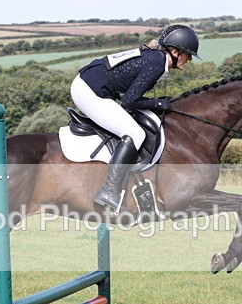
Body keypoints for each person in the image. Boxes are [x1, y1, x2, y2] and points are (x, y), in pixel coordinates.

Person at [70, 24, 201, 213]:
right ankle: (109, 192)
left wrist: (154, 102)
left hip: (90, 84)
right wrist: (156, 104)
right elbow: (130, 102)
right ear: (175, 52)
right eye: (188, 55)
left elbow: (131, 95)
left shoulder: (155, 58)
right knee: (135, 133)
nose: (189, 60)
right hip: (89, 90)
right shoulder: (156, 63)